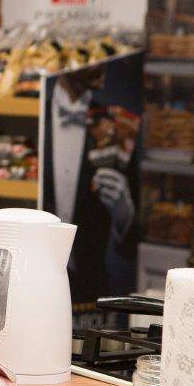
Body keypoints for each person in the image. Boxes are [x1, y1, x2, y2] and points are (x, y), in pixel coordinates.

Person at [45, 64, 140, 306]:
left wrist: (124, 212)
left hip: (92, 292)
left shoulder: (117, 124)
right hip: (29, 283)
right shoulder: (31, 111)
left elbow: (132, 242)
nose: (102, 61)